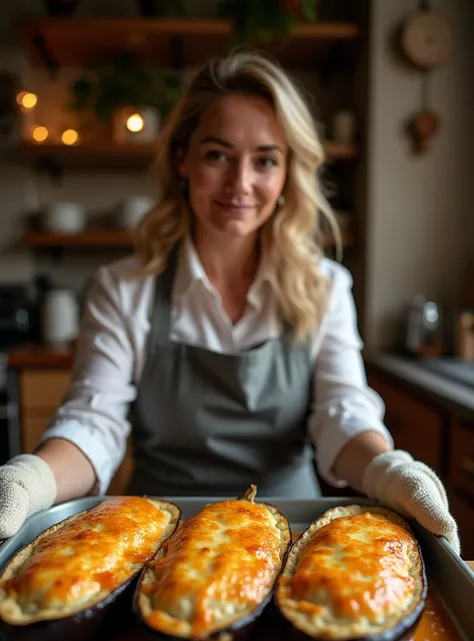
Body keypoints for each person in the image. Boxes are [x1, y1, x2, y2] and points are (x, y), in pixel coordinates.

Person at [0, 52, 459, 553]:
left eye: (265, 159)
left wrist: (392, 474)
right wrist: (32, 480)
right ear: (183, 159)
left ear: (288, 172)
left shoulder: (325, 287)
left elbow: (341, 413)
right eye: (218, 155)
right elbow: (95, 421)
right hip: (152, 537)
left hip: (290, 536)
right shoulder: (124, 287)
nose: (241, 183)